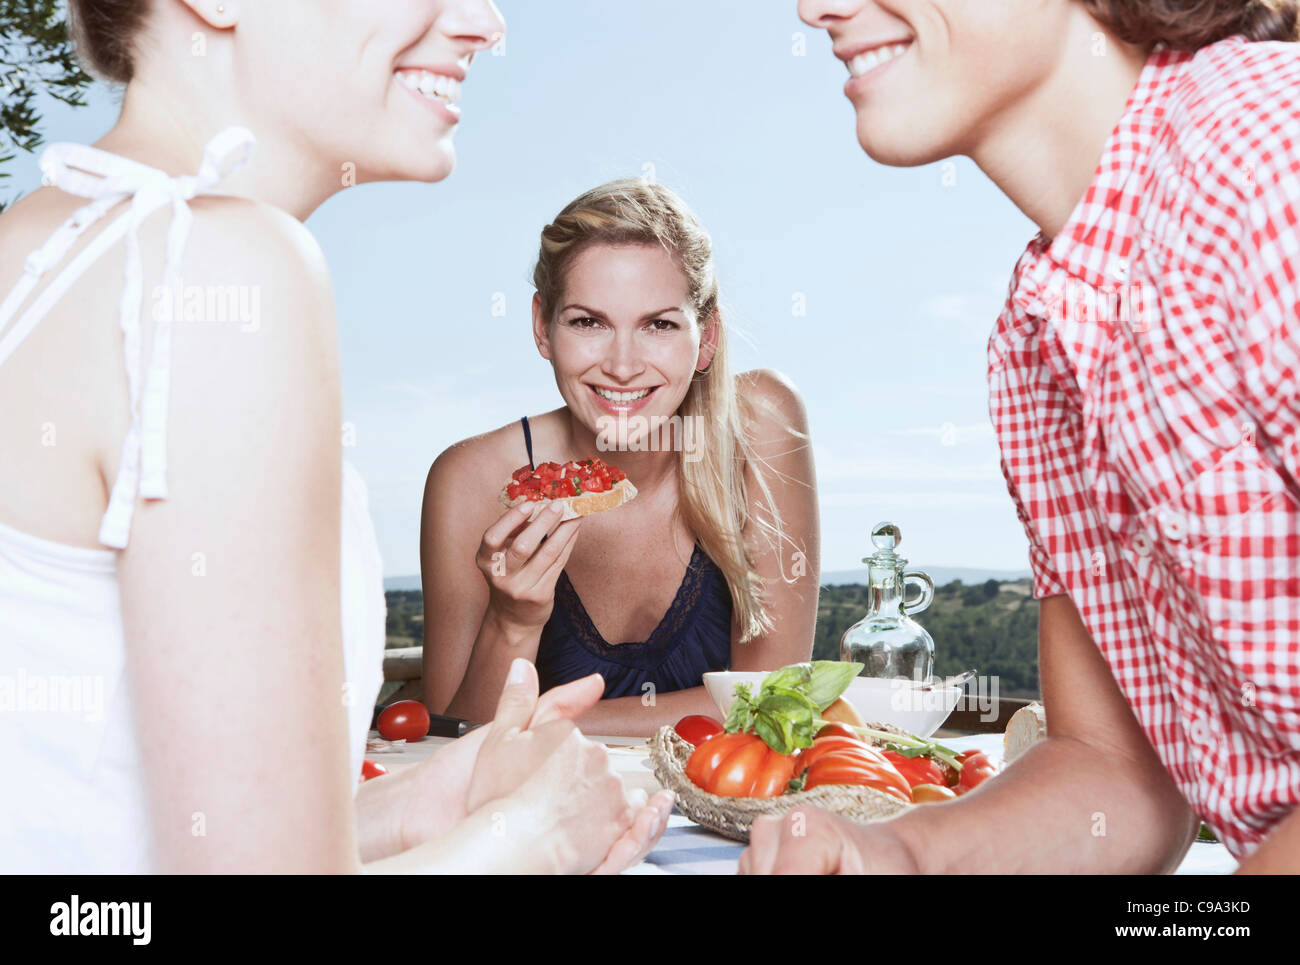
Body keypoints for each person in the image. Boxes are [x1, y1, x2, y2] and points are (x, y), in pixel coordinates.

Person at [0, 0, 670, 873]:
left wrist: (409, 805)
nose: (487, 23)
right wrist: (534, 837)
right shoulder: (213, 274)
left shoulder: (51, 248)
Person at [741, 0, 1300, 873]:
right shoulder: (1037, 336)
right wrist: (898, 856)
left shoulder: (1271, 155)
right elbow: (1116, 770)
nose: (817, 9)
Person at [420, 180, 820, 736]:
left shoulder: (760, 423)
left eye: (658, 325)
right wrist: (511, 623)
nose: (623, 366)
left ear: (705, 339)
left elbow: (775, 703)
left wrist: (537, 723)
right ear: (542, 327)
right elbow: (449, 741)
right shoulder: (470, 478)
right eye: (589, 322)